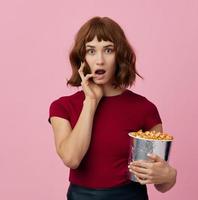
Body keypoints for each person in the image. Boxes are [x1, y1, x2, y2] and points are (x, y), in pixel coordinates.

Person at [48, 16, 177, 200]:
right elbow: (71, 159)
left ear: (119, 55)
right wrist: (91, 102)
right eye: (91, 51)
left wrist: (169, 175)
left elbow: (160, 182)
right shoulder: (62, 107)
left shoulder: (145, 108)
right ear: (82, 58)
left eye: (108, 50)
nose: (100, 60)